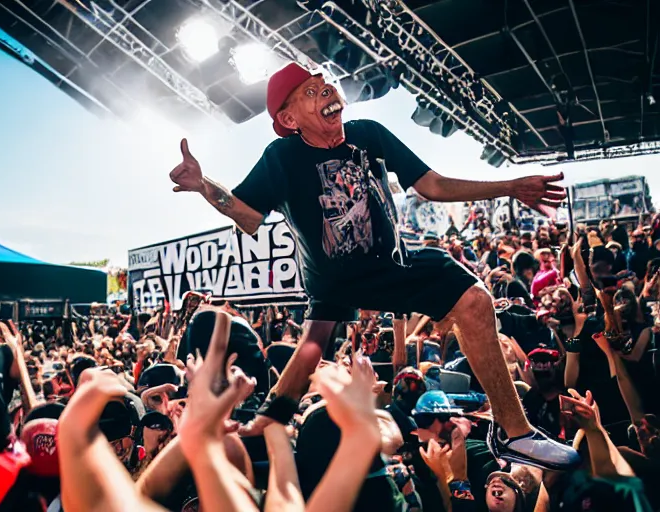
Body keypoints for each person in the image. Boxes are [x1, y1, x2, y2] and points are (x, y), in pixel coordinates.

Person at [167, 62, 578, 469]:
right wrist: (204, 185)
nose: (325, 91)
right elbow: (247, 214)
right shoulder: (282, 157)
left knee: (475, 301)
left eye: (324, 85)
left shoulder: (369, 134)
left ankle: (513, 431)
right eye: (310, 92)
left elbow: (431, 185)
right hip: (334, 279)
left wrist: (509, 186)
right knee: (311, 349)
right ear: (289, 118)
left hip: (391, 264)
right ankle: (264, 428)